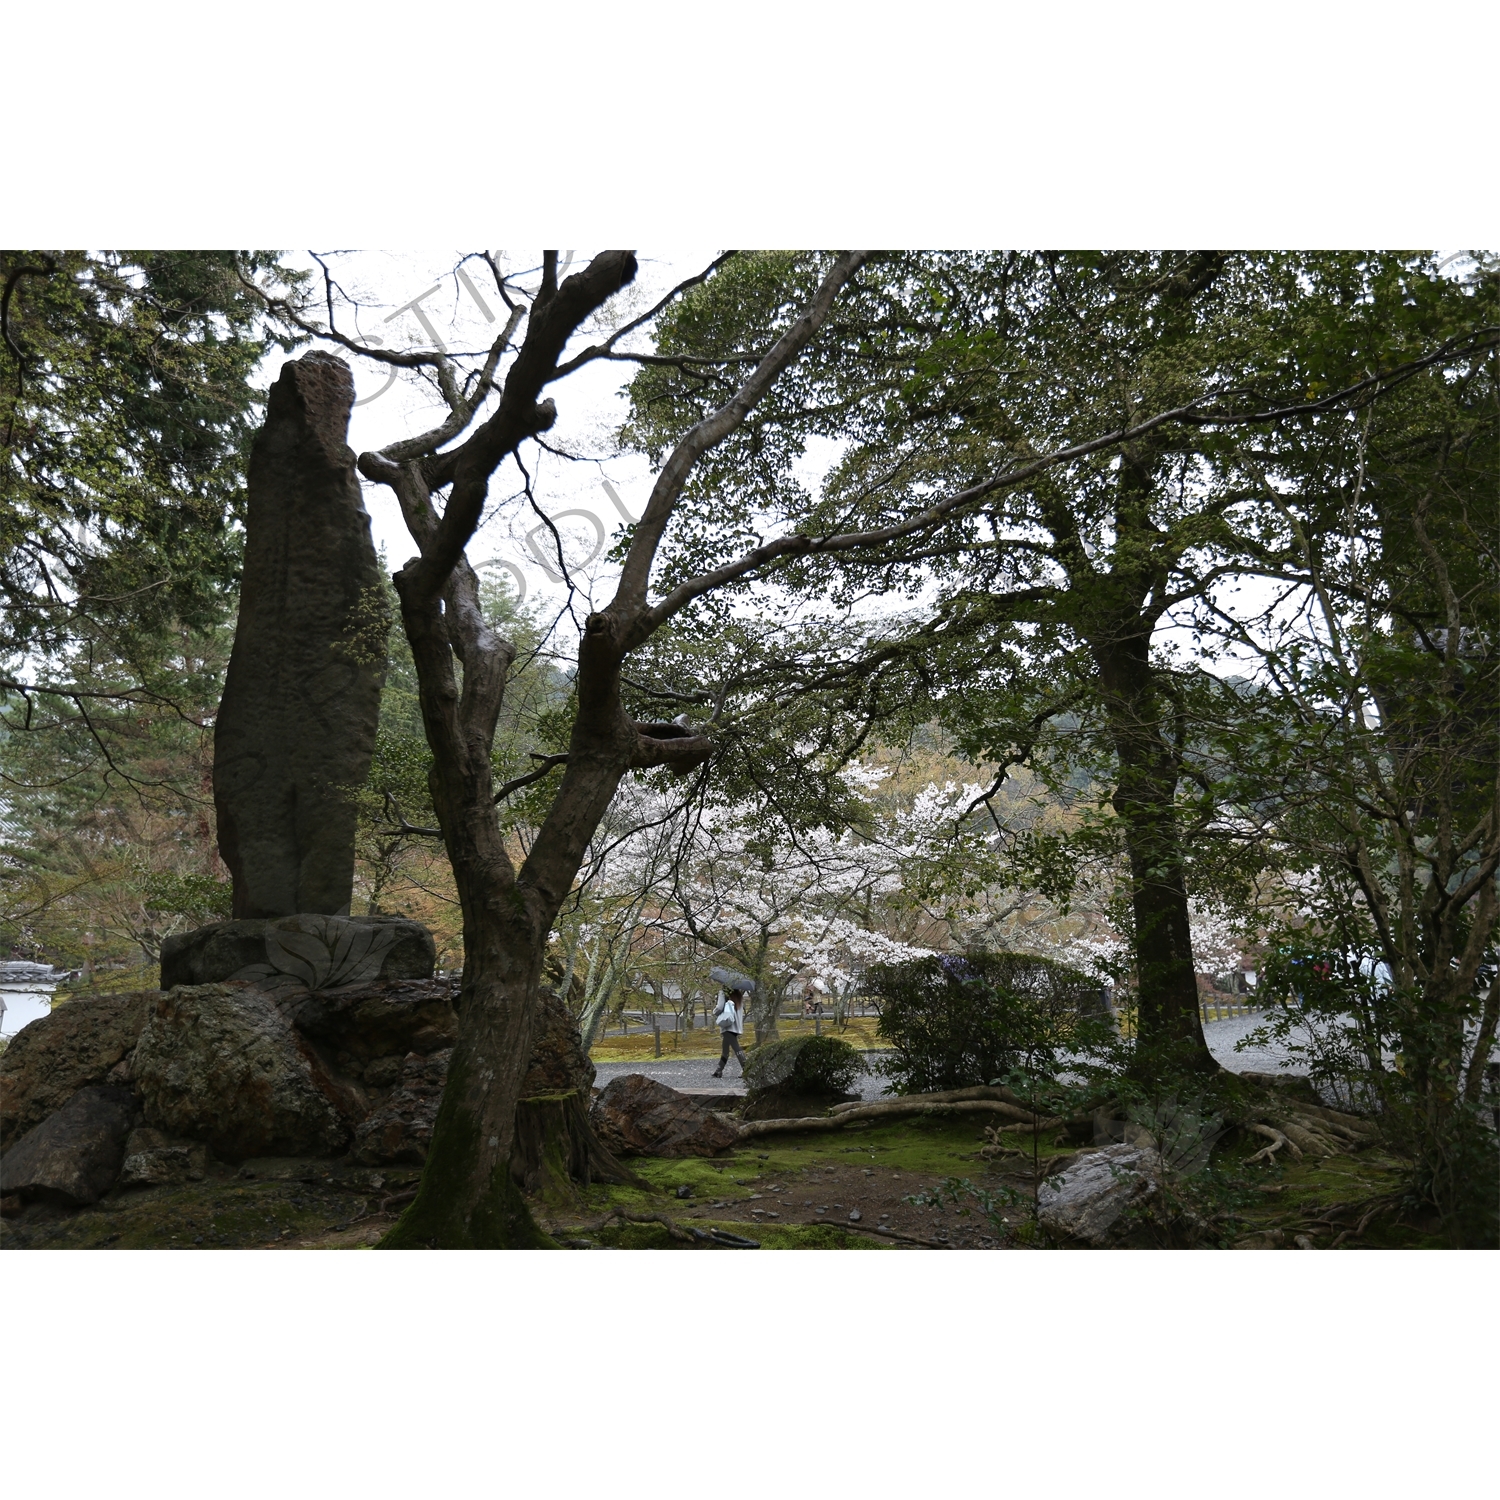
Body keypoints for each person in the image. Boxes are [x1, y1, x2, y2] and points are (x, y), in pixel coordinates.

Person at [711, 987, 748, 1077]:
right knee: (725, 1049)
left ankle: (747, 1069)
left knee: (736, 1048)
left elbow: (719, 1007)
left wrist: (714, 1011)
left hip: (728, 1026)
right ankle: (719, 1070)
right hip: (736, 1026)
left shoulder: (723, 992)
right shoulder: (738, 994)